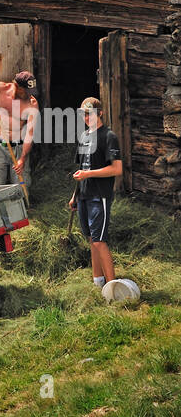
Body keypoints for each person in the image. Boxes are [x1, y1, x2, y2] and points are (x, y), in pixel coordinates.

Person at [69, 97, 122, 290]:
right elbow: (81, 169)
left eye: (90, 113)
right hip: (84, 195)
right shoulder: (84, 137)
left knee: (100, 241)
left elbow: (116, 169)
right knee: (92, 238)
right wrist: (75, 196)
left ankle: (113, 286)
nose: (86, 117)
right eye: (83, 113)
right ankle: (98, 282)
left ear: (100, 113)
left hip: (100, 196)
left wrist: (89, 174)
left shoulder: (109, 137)